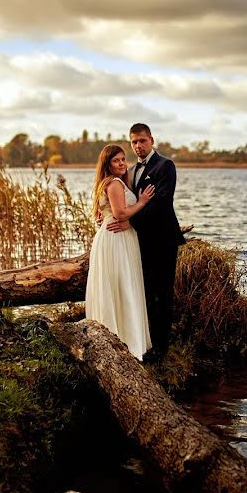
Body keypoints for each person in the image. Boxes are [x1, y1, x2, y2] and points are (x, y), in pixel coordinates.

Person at [108, 123, 185, 360]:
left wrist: (131, 223)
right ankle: (144, 341)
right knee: (145, 291)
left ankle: (161, 349)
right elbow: (125, 202)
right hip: (140, 242)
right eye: (134, 142)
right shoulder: (130, 171)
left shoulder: (165, 166)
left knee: (162, 293)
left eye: (142, 141)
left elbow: (161, 203)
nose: (138, 146)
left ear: (151, 140)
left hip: (163, 239)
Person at [85, 144, 156, 360]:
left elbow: (107, 215)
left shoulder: (108, 183)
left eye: (123, 159)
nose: (122, 164)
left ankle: (121, 336)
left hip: (115, 237)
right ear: (108, 164)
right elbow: (120, 213)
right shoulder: (114, 183)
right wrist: (143, 201)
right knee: (123, 284)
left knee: (118, 285)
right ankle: (125, 339)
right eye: (116, 161)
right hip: (117, 240)